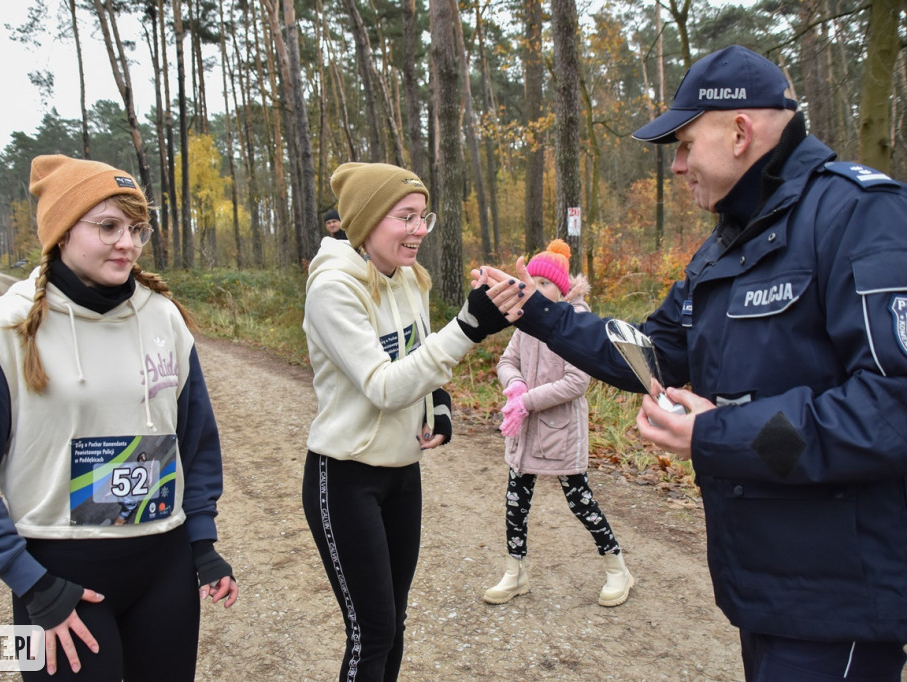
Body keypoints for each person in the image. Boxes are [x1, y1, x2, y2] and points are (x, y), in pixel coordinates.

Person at [474, 45, 907, 680]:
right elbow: (651, 354)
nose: (675, 166)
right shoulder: (724, 247)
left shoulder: (861, 216)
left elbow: (891, 409)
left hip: (839, 598)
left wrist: (716, 433)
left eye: (683, 144)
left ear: (739, 132)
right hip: (760, 588)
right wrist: (539, 311)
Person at [0, 154, 238, 681]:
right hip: (58, 577)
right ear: (62, 232)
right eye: (108, 226)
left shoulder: (164, 318)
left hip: (163, 569)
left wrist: (202, 545)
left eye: (137, 229)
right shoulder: (3, 329)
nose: (128, 244)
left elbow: (196, 442)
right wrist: (33, 583)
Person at [302, 162, 510, 681]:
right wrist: (467, 326)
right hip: (345, 474)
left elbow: (415, 360)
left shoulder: (409, 279)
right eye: (406, 217)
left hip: (402, 470)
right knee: (371, 631)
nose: (420, 230)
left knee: (393, 623)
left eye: (423, 217)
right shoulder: (333, 289)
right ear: (369, 220)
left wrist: (436, 399)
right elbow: (383, 384)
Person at [483, 239, 633, 608]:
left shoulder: (576, 323)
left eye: (544, 282)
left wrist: (526, 401)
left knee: (580, 500)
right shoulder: (525, 322)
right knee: (515, 501)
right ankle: (515, 571)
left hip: (560, 431)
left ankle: (617, 568)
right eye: (530, 279)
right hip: (524, 431)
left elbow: (576, 382)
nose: (533, 286)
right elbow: (506, 362)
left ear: (561, 289)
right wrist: (514, 384)